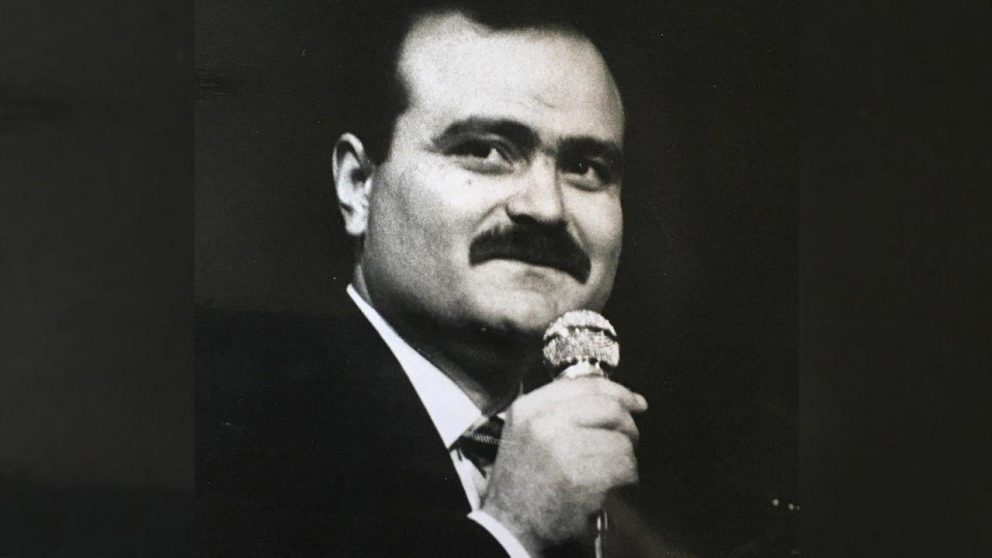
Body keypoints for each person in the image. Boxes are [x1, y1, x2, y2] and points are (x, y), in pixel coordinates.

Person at [198, 2, 657, 556]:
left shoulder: (630, 485)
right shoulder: (217, 414)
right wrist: (512, 532)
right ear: (358, 186)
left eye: (585, 168)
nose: (546, 208)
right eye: (485, 151)